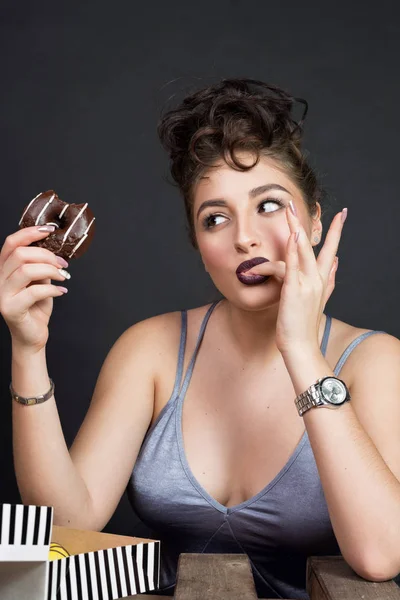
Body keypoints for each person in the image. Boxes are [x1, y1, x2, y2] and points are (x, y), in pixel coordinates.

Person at [1, 79, 400, 599]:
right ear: (198, 243)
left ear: (316, 219)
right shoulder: (151, 349)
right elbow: (68, 525)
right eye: (216, 218)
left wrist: (301, 350)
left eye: (270, 205)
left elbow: (380, 555)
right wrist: (28, 350)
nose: (244, 238)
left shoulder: (376, 363)